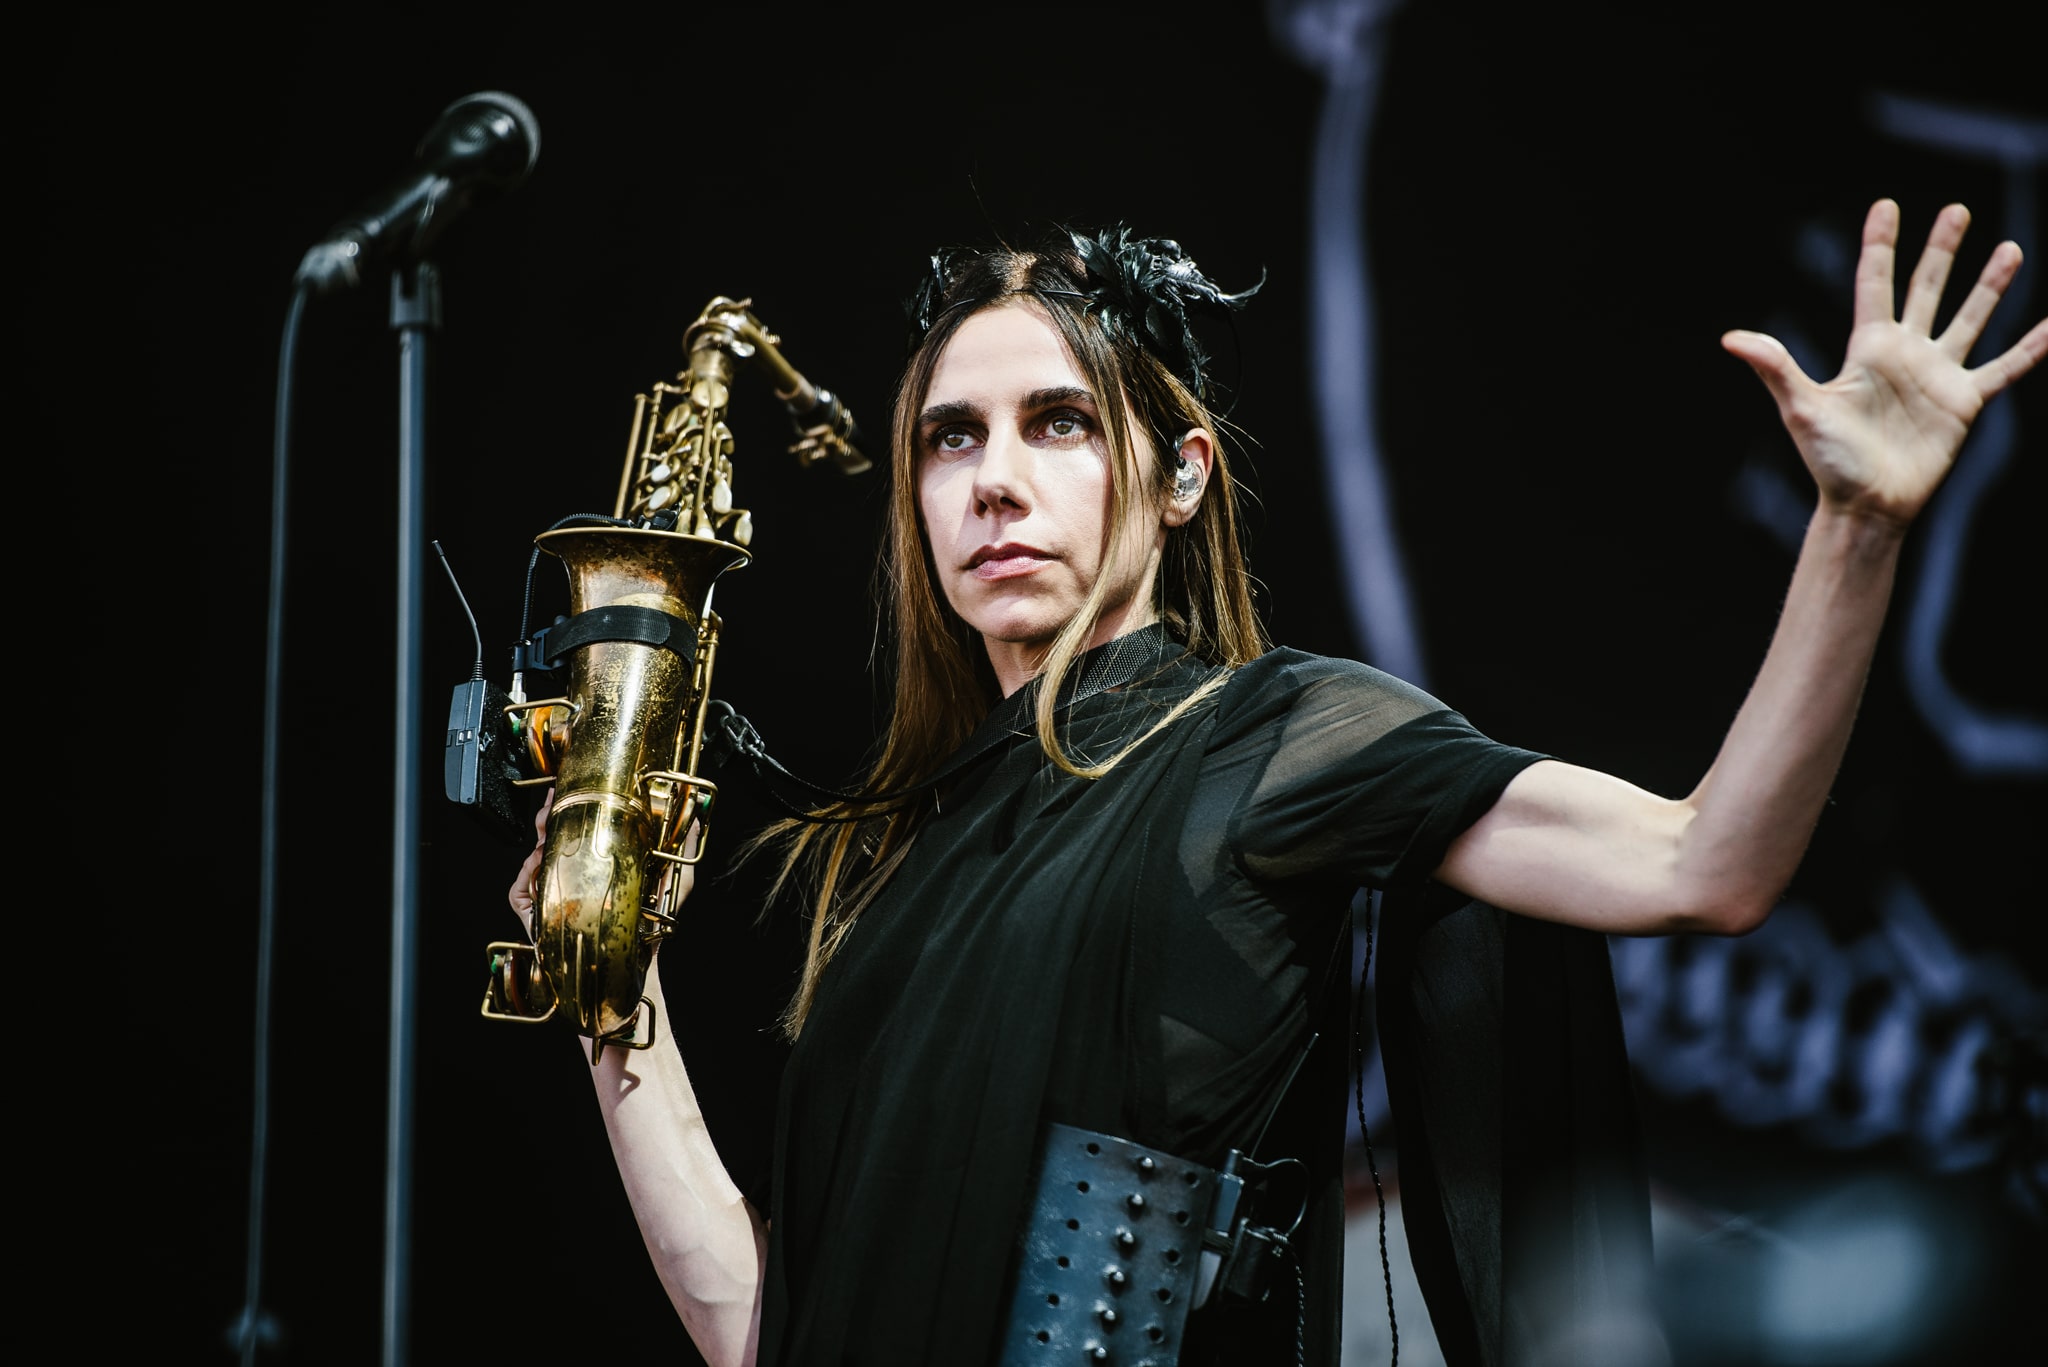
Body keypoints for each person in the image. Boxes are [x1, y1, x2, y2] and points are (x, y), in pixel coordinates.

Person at [505, 201, 2046, 1367]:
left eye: (1058, 424)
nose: (994, 480)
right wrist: (605, 977)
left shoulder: (1274, 742)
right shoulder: (896, 864)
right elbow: (757, 1330)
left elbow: (1702, 863)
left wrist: (1857, 529)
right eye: (948, 440)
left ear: (1180, 475)